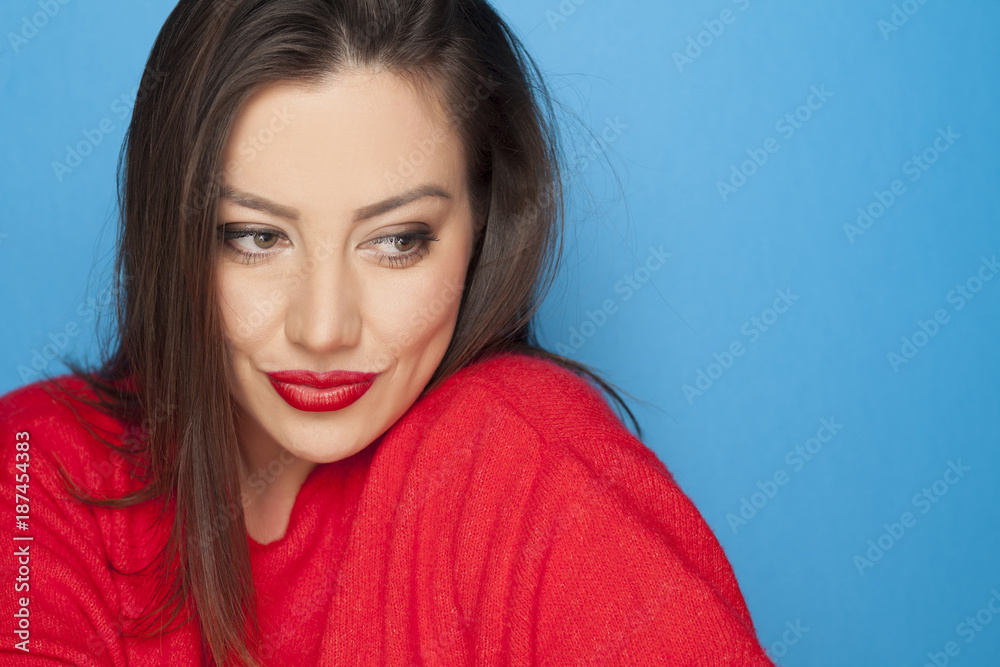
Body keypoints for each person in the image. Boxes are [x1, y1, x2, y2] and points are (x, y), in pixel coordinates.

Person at [0, 0, 775, 664]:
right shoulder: (37, 470)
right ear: (172, 230)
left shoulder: (521, 461)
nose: (323, 328)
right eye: (256, 237)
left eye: (397, 240)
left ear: (484, 219)